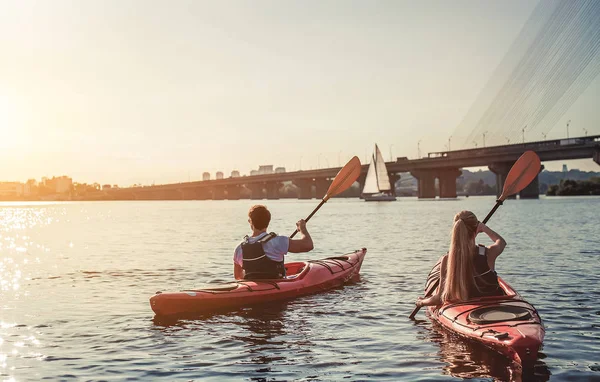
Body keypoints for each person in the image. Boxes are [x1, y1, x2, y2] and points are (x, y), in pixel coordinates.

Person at [416, 210, 507, 307]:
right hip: (495, 304)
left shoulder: (448, 260)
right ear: (476, 230)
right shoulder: (488, 253)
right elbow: (501, 242)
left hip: (468, 307)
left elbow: (439, 299)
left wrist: (421, 302)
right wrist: (484, 228)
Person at [233, 205, 314, 280]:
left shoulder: (239, 249)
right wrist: (302, 228)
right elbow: (308, 245)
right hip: (277, 286)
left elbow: (238, 277)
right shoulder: (278, 241)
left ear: (250, 222)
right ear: (268, 221)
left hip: (252, 289)